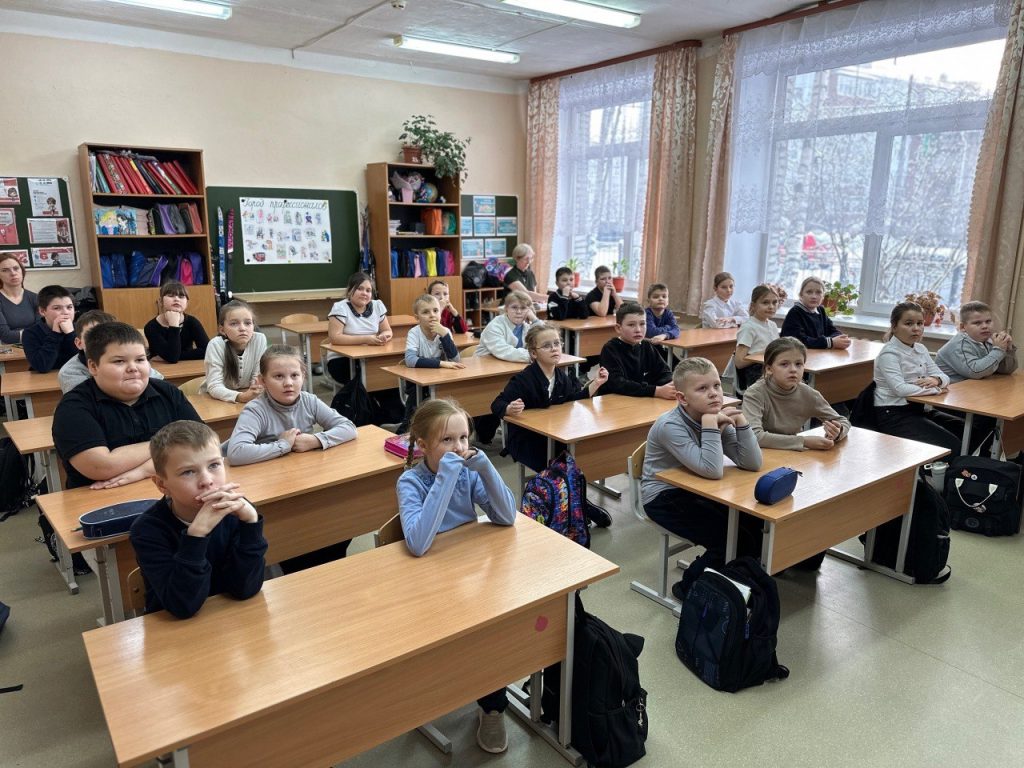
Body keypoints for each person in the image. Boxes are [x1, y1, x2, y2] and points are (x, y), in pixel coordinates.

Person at [396, 398, 518, 754]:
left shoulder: (467, 471)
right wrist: (446, 477)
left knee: (493, 629)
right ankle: (441, 691)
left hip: (469, 574)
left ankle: (492, 706)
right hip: (428, 584)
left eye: (463, 438)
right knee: (463, 638)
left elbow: (507, 516)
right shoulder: (410, 481)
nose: (459, 447)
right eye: (447, 440)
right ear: (423, 445)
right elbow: (419, 543)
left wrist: (486, 469)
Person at [226, 345, 357, 572]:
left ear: (303, 377)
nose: (288, 383)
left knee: (337, 518)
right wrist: (283, 446)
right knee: (294, 534)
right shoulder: (256, 409)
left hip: (298, 479)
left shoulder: (309, 400)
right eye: (278, 376)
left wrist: (315, 440)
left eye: (294, 375)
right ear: (262, 381)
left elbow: (349, 427)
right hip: (267, 486)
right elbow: (236, 452)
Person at [641, 357, 763, 594]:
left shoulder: (715, 414)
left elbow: (752, 463)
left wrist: (740, 422)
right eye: (702, 388)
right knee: (727, 539)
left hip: (698, 489)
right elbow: (712, 470)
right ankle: (688, 587)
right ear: (682, 398)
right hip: (662, 497)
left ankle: (734, 577)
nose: (714, 393)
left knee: (752, 523)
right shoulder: (670, 425)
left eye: (717, 385)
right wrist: (710, 424)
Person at [130, 420, 267, 618]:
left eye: (214, 465)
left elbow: (245, 589)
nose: (207, 481)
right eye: (188, 472)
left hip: (227, 620)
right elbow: (182, 607)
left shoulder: (237, 512)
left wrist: (251, 524)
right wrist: (196, 536)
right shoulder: (147, 530)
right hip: (173, 631)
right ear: (162, 484)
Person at [52, 322, 201, 491]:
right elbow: (101, 466)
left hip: (170, 491)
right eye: (119, 361)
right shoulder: (73, 407)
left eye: (140, 359)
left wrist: (144, 470)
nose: (133, 368)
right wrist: (175, 443)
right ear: (93, 366)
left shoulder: (167, 392)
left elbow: (203, 445)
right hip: (102, 498)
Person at [491, 323, 612, 527]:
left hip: (554, 437)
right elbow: (496, 404)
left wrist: (596, 383)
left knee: (574, 460)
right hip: (527, 441)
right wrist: (509, 408)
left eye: (557, 343)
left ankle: (575, 506)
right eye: (547, 346)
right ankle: (580, 507)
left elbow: (574, 399)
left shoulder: (562, 377)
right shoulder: (523, 379)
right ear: (533, 353)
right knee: (562, 468)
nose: (554, 348)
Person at [873, 301, 962, 457]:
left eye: (920, 323)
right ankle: (935, 470)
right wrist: (935, 389)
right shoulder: (889, 354)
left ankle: (961, 467)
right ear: (894, 326)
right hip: (892, 413)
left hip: (917, 409)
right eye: (908, 323)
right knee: (951, 444)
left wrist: (937, 380)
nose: (916, 328)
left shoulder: (920, 348)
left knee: (966, 429)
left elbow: (944, 377)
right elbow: (900, 389)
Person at [741, 338, 850, 450]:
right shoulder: (755, 394)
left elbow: (843, 421)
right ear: (769, 369)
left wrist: (838, 431)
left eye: (798, 364)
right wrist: (804, 442)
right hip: (759, 453)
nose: (793, 370)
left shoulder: (808, 394)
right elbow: (754, 436)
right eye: (784, 364)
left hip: (792, 453)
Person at [399, 294, 465, 432]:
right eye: (425, 312)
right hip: (417, 385)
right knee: (412, 418)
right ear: (417, 318)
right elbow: (410, 360)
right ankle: (405, 431)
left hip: (440, 381)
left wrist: (445, 336)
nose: (432, 315)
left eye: (435, 310)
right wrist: (441, 363)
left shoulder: (445, 331)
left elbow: (455, 360)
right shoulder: (414, 333)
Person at [323, 271, 392, 385]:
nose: (364, 293)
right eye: (360, 289)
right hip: (342, 360)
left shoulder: (377, 305)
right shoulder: (340, 308)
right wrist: (366, 339)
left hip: (369, 356)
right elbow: (335, 338)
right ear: (350, 290)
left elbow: (387, 330)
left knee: (386, 378)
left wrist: (383, 336)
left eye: (368, 290)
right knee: (366, 380)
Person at [598, 302, 675, 399]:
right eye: (631, 325)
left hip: (643, 398)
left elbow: (664, 372)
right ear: (618, 328)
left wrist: (669, 386)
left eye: (642, 324)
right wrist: (656, 391)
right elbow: (617, 384)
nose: (638, 330)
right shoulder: (610, 349)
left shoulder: (647, 346)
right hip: (614, 400)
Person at [201, 299, 268, 404]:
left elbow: (258, 378)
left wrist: (253, 392)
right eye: (234, 324)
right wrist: (242, 397)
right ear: (222, 330)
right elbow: (214, 386)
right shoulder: (216, 345)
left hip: (248, 398)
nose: (242, 328)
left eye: (247, 323)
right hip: (215, 400)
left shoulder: (259, 339)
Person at [936, 300, 1018, 383]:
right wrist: (998, 350)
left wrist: (1008, 350)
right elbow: (975, 372)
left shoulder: (989, 340)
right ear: (963, 327)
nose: (985, 326)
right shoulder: (959, 344)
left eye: (988, 321)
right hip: (950, 388)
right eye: (977, 323)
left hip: (975, 386)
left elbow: (1006, 370)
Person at [731, 285, 781, 393]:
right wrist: (764, 353)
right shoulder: (749, 327)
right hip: (755, 371)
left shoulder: (772, 325)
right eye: (765, 303)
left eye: (774, 302)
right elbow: (739, 362)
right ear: (753, 305)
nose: (771, 306)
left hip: (769, 367)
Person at [144, 281, 210, 363]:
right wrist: (174, 325)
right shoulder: (151, 327)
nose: (176, 299)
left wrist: (177, 356)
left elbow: (208, 351)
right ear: (161, 301)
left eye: (181, 296)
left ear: (187, 303)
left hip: (187, 366)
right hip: (161, 368)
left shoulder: (192, 322)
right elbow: (172, 358)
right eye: (171, 296)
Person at [781, 277, 851, 349]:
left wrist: (838, 339)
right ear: (801, 295)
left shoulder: (820, 310)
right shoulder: (795, 312)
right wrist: (830, 342)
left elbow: (833, 330)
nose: (814, 296)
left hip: (817, 353)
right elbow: (799, 342)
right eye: (809, 292)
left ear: (823, 296)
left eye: (818, 292)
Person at [22, 284, 76, 372]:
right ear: (42, 311)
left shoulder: (82, 328)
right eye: (57, 308)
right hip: (43, 379)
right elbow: (42, 367)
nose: (65, 312)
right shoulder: (30, 333)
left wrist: (71, 334)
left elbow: (87, 363)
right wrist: (55, 334)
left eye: (69, 307)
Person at [476, 290, 535, 363]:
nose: (519, 312)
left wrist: (535, 320)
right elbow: (503, 351)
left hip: (510, 364)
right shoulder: (495, 325)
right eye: (514, 307)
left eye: (523, 308)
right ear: (506, 309)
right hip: (485, 364)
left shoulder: (527, 326)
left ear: (529, 310)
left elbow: (544, 341)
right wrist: (533, 356)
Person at [0, 252, 38, 344]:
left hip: (36, 347)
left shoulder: (36, 298)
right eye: (5, 270)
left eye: (16, 268)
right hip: (8, 351)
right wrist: (35, 334)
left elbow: (44, 330)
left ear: (22, 270)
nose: (13, 273)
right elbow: (6, 336)